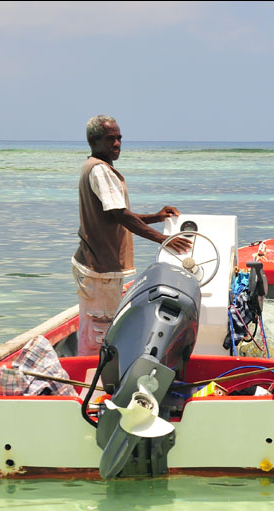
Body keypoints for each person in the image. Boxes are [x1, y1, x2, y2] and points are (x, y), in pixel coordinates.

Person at [72, 115, 191, 355]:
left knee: (98, 327)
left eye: (119, 138)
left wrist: (156, 217)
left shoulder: (94, 167)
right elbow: (121, 216)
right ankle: (91, 382)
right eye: (110, 139)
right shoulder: (100, 171)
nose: (117, 144)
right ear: (93, 141)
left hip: (95, 266)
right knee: (100, 333)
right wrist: (164, 239)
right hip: (99, 270)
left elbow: (117, 215)